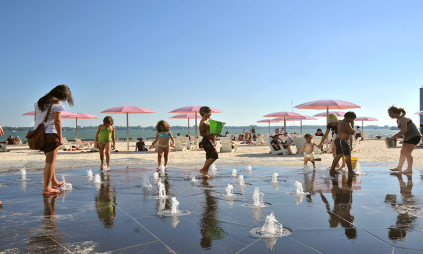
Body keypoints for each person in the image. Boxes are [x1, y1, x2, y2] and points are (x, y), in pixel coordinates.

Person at [35, 84, 73, 195]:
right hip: (51, 134)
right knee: (50, 162)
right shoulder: (57, 103)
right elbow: (57, 121)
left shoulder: (41, 102)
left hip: (41, 135)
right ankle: (46, 188)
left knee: (50, 161)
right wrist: (60, 138)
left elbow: (36, 119)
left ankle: (54, 182)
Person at [388, 106, 421, 174]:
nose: (389, 115)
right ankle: (399, 167)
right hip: (407, 136)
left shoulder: (403, 118)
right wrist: (399, 135)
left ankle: (409, 169)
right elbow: (404, 131)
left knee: (407, 152)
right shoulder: (398, 120)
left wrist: (395, 136)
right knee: (402, 152)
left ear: (394, 113)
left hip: (414, 136)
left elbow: (404, 130)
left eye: (390, 113)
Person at [329, 111, 356, 175]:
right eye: (352, 119)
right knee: (348, 156)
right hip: (343, 141)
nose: (352, 120)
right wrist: (353, 125)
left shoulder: (341, 122)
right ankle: (350, 171)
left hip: (338, 140)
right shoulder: (346, 123)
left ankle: (332, 170)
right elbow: (352, 132)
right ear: (349, 117)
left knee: (339, 155)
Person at [198, 106, 218, 178]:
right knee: (215, 155)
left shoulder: (208, 120)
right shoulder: (202, 122)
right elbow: (201, 133)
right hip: (207, 140)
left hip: (211, 140)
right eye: (209, 112)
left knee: (209, 157)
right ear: (204, 113)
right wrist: (211, 134)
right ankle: (203, 170)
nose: (210, 114)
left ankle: (205, 173)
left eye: (210, 112)